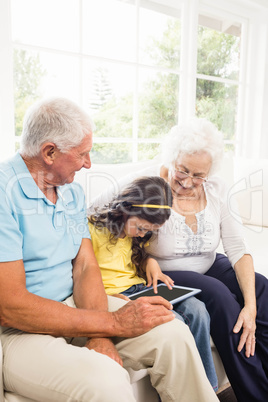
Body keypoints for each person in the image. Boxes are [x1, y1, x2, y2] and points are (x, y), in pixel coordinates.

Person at [0, 98, 219, 402]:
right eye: (83, 154)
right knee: (107, 381)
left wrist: (98, 334)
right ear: (49, 152)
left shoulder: (71, 193)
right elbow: (10, 306)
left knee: (174, 334)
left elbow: (85, 267)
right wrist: (110, 324)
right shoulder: (4, 192)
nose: (88, 163)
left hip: (76, 306)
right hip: (19, 332)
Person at [89, 117, 268, 402]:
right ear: (171, 158)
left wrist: (251, 307)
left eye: (198, 176)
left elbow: (236, 246)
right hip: (169, 271)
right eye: (182, 170)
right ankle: (256, 394)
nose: (187, 182)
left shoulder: (217, 189)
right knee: (220, 298)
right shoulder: (147, 184)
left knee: (261, 288)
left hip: (210, 263)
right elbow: (101, 212)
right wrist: (146, 259)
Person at [88, 175, 218, 391]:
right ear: (126, 209)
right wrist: (108, 298)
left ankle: (208, 389)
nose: (143, 234)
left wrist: (150, 262)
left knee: (198, 309)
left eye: (148, 231)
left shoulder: (136, 234)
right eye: (140, 228)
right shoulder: (93, 230)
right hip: (115, 296)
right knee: (172, 320)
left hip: (139, 287)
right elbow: (82, 276)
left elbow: (135, 255)